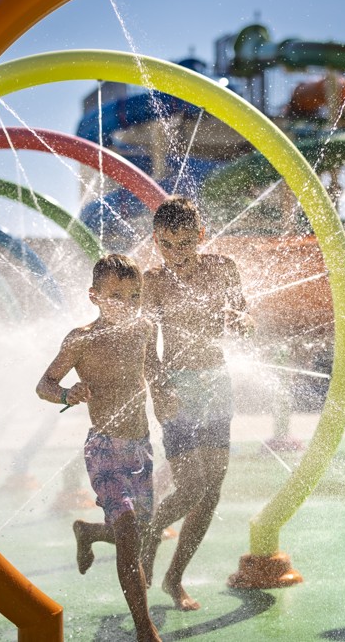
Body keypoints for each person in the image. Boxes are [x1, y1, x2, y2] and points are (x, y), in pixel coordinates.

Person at [36, 253, 172, 642]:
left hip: (139, 449)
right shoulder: (81, 339)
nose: (127, 304)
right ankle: (145, 630)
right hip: (104, 449)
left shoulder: (145, 328)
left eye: (134, 296)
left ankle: (90, 532)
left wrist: (165, 394)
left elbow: (152, 370)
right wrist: (67, 392)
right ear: (94, 295)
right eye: (116, 295)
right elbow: (44, 385)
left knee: (135, 532)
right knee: (130, 537)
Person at [140, 196, 252, 611]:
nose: (176, 254)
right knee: (191, 487)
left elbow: (243, 315)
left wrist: (243, 321)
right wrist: (158, 392)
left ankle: (174, 578)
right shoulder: (152, 282)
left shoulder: (223, 268)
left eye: (185, 243)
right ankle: (150, 535)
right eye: (167, 245)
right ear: (156, 240)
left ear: (201, 236)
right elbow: (146, 347)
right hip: (178, 386)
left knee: (212, 490)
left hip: (216, 382)